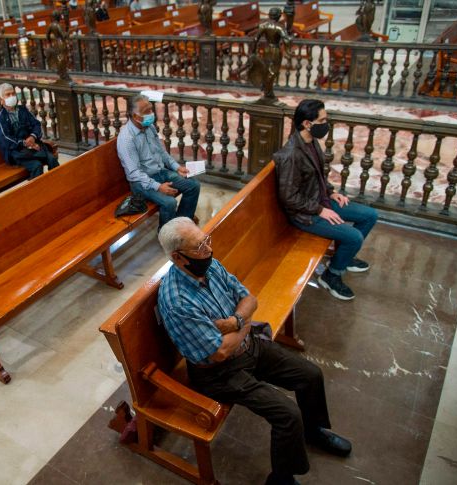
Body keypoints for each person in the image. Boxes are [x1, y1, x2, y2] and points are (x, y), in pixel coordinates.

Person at [157, 217, 353, 485]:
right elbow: (220, 353)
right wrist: (245, 322)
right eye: (200, 246)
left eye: (207, 240)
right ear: (179, 258)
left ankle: (314, 431)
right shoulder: (178, 300)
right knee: (286, 415)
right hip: (218, 374)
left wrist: (235, 322)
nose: (209, 250)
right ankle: (281, 479)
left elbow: (249, 298)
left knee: (310, 374)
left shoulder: (209, 266)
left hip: (248, 346)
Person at [273, 99, 378, 301]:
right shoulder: (291, 154)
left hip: (320, 200)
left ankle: (343, 259)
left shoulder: (310, 142)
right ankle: (331, 275)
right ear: (307, 123)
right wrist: (320, 210)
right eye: (322, 120)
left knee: (369, 215)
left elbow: (318, 175)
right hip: (304, 213)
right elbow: (288, 197)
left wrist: (330, 192)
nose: (326, 124)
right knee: (354, 237)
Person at [117, 94, 199, 229]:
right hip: (141, 182)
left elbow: (161, 152)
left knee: (193, 185)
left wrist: (177, 167)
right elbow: (134, 173)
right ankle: (165, 235)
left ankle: (182, 223)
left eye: (151, 109)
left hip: (160, 172)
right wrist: (158, 186)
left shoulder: (149, 127)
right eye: (147, 111)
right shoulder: (127, 139)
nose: (151, 114)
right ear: (135, 116)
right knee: (169, 202)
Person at [0, 82, 59, 180]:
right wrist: (25, 143)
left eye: (13, 94)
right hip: (17, 151)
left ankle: (59, 185)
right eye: (8, 95)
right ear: (1, 100)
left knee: (52, 160)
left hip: (33, 144)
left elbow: (36, 124)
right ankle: (37, 193)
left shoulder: (22, 110)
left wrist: (32, 137)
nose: (12, 96)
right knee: (37, 166)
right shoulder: (0, 119)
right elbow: (5, 139)